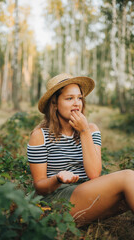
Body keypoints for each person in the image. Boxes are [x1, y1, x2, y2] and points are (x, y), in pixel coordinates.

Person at [27, 73, 134, 226]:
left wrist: (84, 132)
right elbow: (40, 187)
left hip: (87, 195)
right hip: (58, 200)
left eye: (79, 98)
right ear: (55, 103)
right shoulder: (40, 136)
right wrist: (57, 178)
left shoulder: (91, 130)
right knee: (128, 177)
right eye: (69, 98)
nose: (76, 103)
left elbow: (94, 174)